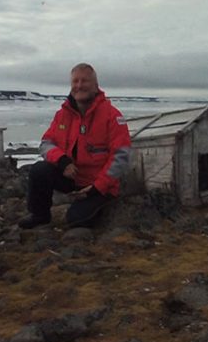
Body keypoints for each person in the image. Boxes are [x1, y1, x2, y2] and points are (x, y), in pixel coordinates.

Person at [19, 63, 131, 229]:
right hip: (72, 178)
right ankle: (40, 216)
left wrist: (97, 188)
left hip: (98, 185)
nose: (79, 86)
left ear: (95, 86)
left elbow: (120, 157)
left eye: (84, 81)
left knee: (76, 221)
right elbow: (46, 144)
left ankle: (101, 207)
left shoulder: (112, 116)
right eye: (75, 82)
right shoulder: (63, 114)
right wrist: (62, 161)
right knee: (39, 170)